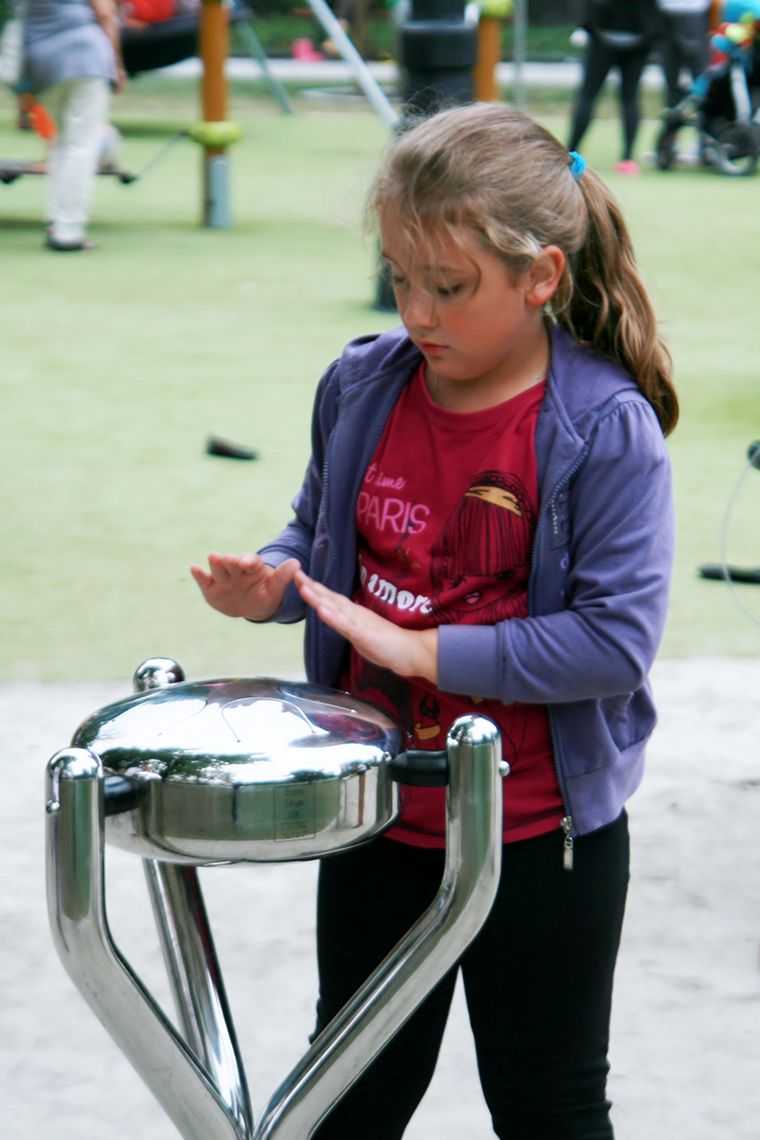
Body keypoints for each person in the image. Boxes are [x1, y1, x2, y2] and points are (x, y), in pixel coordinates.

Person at [191, 102, 678, 1139]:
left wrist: (420, 649)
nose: (418, 310)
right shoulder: (362, 385)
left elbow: (613, 642)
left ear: (539, 276)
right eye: (400, 277)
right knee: (350, 1095)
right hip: (377, 819)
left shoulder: (602, 427)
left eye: (448, 287)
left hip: (540, 838)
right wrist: (276, 583)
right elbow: (316, 536)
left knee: (546, 1106)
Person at [21, 0, 125, 251]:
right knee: (81, 144)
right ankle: (69, 230)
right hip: (85, 54)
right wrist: (117, 62)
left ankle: (56, 219)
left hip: (41, 61)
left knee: (63, 140)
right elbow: (105, 11)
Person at [568, 0, 665, 173]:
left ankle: (570, 154)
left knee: (588, 94)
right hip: (639, 36)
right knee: (629, 97)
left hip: (603, 34)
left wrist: (586, 25)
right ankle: (627, 158)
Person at [657, 0, 712, 107]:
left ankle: (703, 114)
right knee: (671, 74)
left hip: (693, 13)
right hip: (667, 13)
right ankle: (672, 112)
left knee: (699, 76)